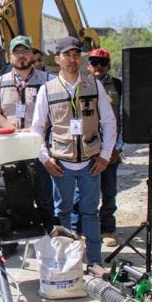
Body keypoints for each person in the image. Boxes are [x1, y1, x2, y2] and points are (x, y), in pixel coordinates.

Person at [31, 37, 117, 266]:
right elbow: (38, 127)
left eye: (76, 54)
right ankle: (67, 262)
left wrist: (105, 156)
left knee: (90, 214)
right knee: (63, 213)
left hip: (90, 163)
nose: (72, 59)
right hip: (61, 164)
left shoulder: (94, 85)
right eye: (67, 55)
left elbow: (109, 122)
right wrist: (45, 158)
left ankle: (95, 261)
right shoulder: (46, 91)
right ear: (57, 59)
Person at [0, 35, 55, 225]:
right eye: (17, 52)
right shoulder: (0, 83)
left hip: (39, 148)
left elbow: (57, 112)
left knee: (44, 196)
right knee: (13, 195)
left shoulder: (48, 81)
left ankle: (47, 236)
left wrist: (33, 131)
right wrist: (14, 130)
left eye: (25, 51)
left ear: (32, 55)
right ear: (10, 57)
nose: (21, 56)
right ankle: (15, 237)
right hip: (12, 149)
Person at [87, 48, 123, 247]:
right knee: (84, 193)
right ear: (88, 65)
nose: (98, 67)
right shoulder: (82, 85)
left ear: (109, 65)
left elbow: (124, 117)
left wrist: (119, 146)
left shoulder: (117, 86)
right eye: (94, 62)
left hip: (111, 150)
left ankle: (107, 228)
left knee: (109, 191)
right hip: (86, 150)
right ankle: (84, 230)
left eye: (103, 63)